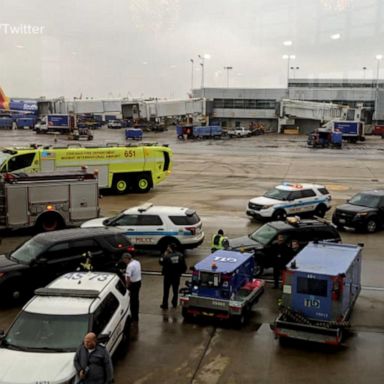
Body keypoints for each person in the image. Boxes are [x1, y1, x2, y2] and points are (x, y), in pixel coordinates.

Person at [159, 243, 187, 309]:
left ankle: (165, 304)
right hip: (176, 276)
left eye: (168, 247)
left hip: (168, 276)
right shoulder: (180, 255)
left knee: (166, 291)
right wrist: (181, 272)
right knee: (175, 290)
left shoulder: (166, 256)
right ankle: (174, 303)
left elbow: (160, 262)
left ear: (170, 248)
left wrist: (163, 255)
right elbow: (184, 266)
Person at [121, 252, 141, 322]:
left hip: (133, 285)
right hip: (138, 282)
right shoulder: (137, 262)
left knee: (132, 302)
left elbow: (128, 278)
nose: (123, 261)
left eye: (124, 260)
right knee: (136, 300)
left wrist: (127, 287)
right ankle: (136, 316)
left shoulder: (129, 266)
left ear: (127, 258)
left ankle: (134, 318)